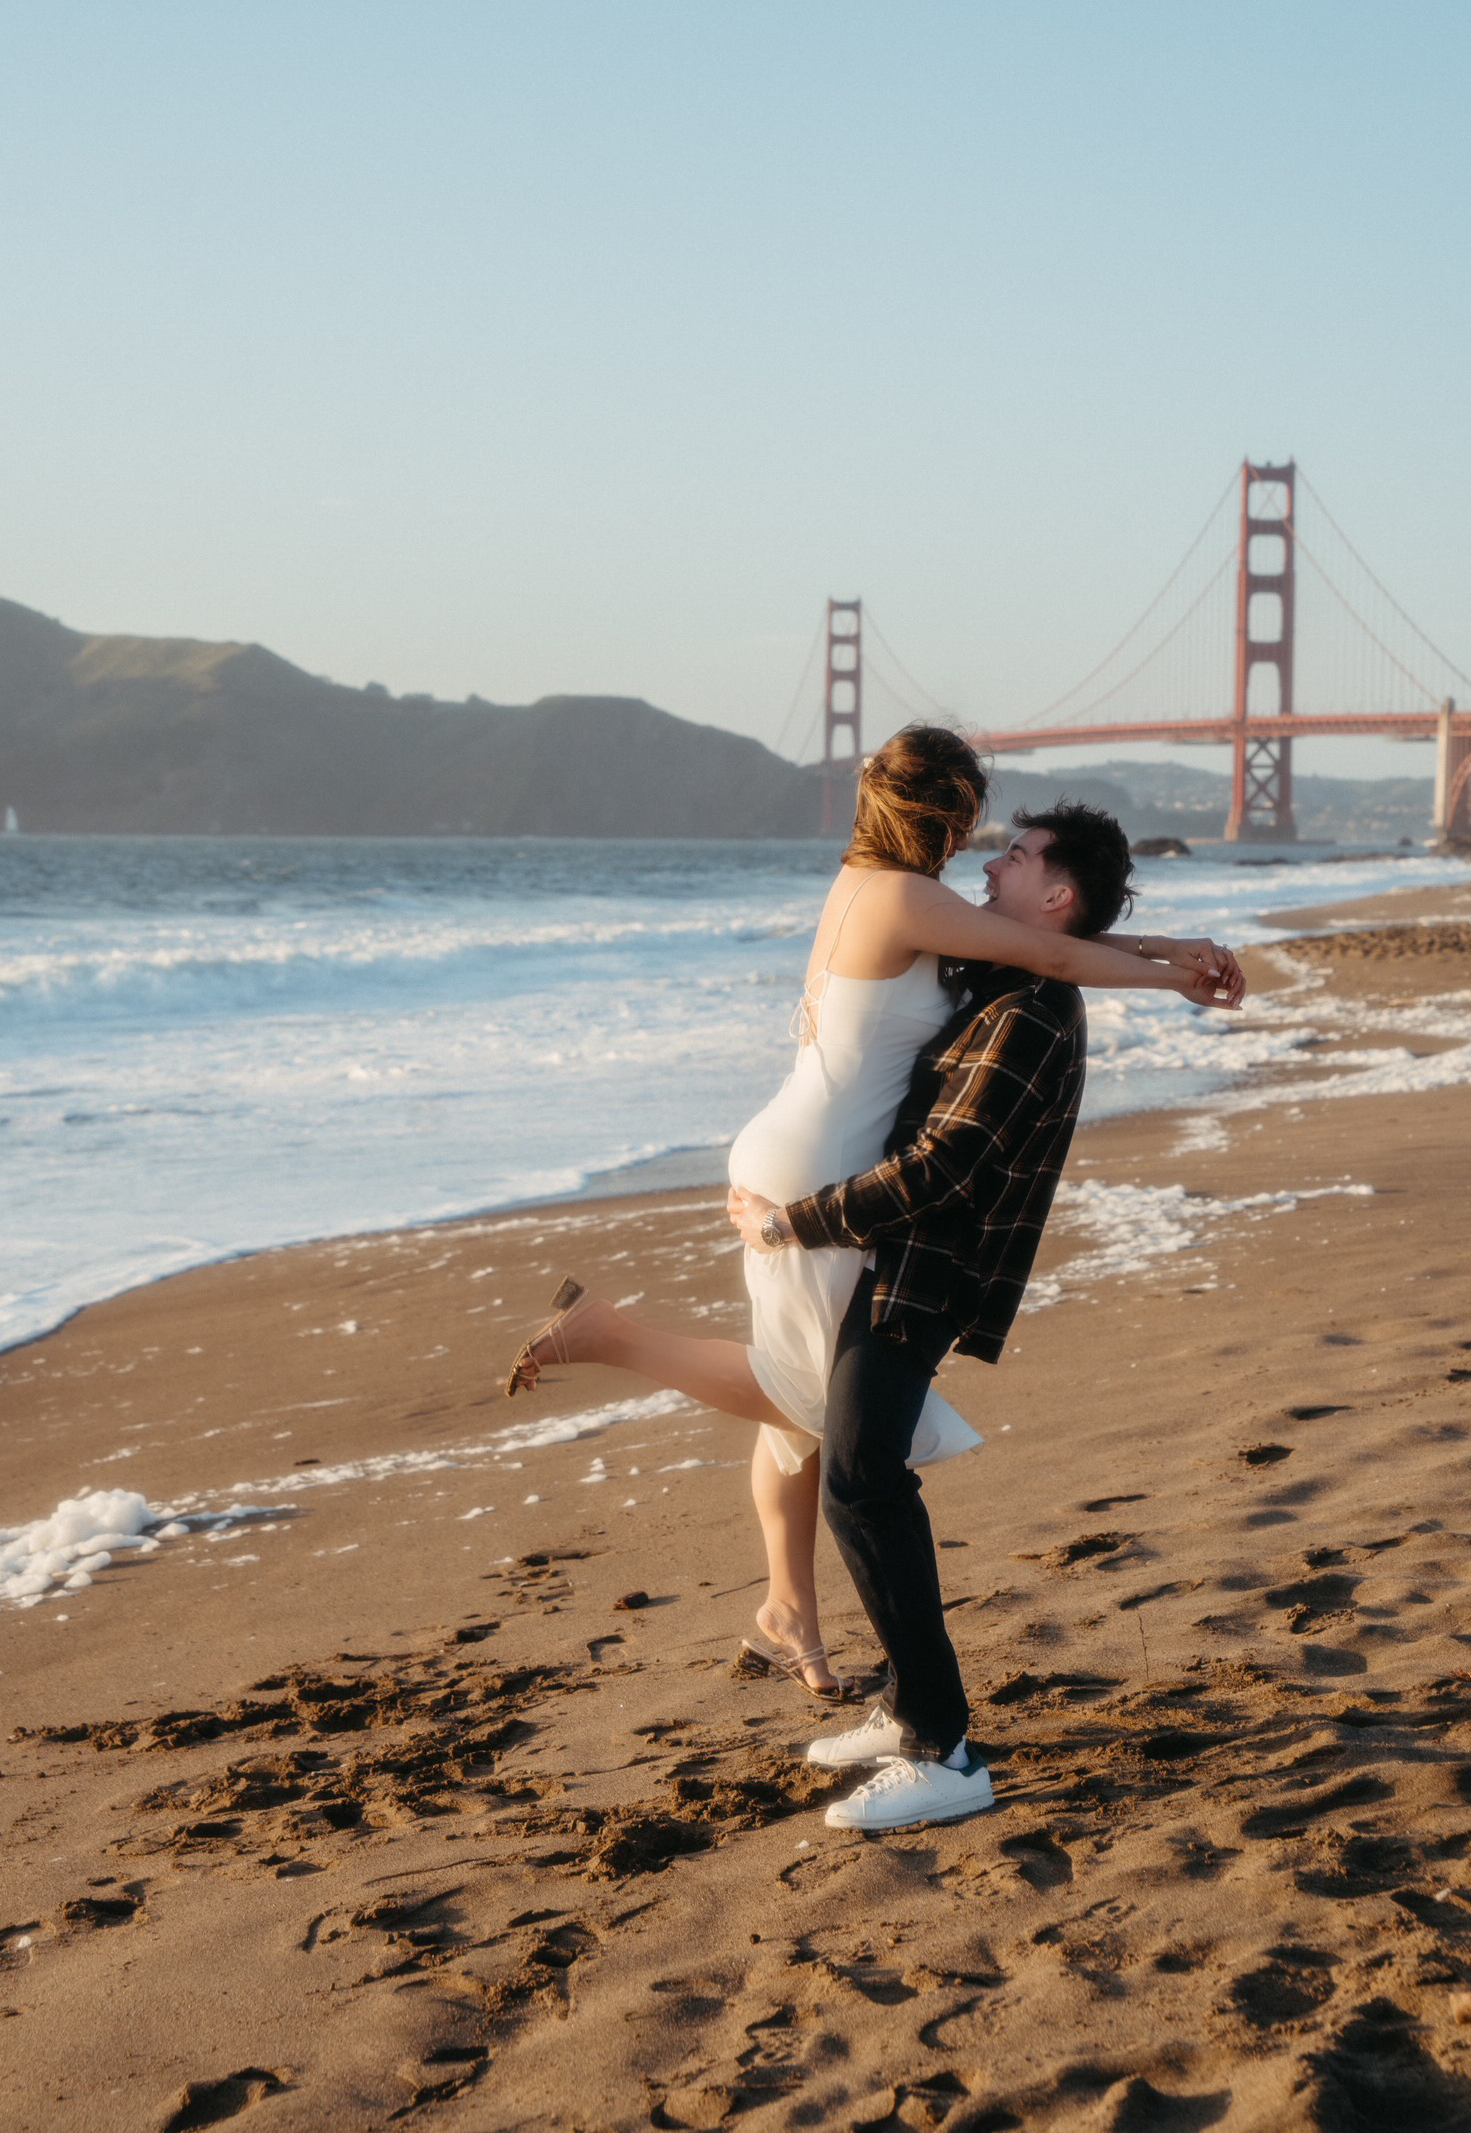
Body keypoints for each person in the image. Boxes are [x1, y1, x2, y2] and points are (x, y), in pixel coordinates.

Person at [504, 729, 1242, 1720]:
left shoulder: (877, 885)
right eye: (971, 819)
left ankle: (788, 1608)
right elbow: (1048, 949)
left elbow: (1052, 941)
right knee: (810, 1398)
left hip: (802, 1142)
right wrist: (1177, 976)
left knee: (811, 1408)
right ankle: (611, 1336)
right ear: (936, 814)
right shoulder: (909, 899)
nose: (980, 841)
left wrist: (1170, 950)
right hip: (821, 1166)